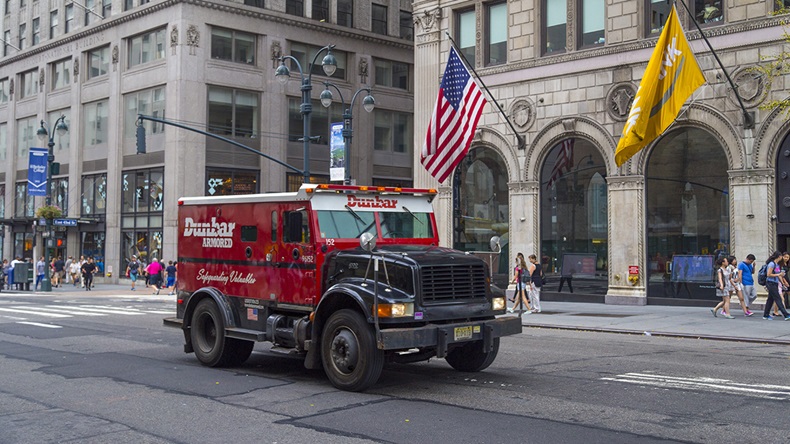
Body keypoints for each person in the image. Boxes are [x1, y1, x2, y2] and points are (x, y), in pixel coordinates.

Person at [763, 251, 790, 320]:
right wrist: (778, 274)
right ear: (778, 257)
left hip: (775, 282)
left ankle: (766, 314)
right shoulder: (771, 264)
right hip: (770, 283)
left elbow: (779, 275)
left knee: (770, 299)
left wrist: (782, 282)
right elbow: (768, 274)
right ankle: (786, 314)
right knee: (778, 298)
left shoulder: (777, 265)